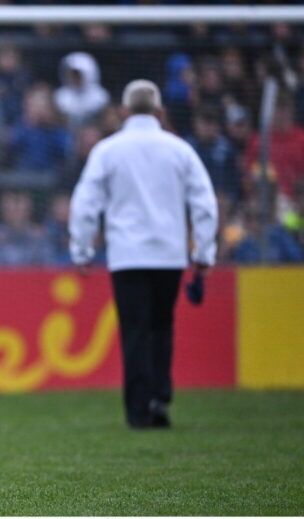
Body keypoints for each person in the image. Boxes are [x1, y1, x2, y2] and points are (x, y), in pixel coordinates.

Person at [68, 80, 218, 429]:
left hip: (127, 255)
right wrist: (204, 252)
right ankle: (159, 399)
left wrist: (81, 249)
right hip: (169, 254)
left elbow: (85, 203)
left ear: (123, 111)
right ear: (160, 112)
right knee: (161, 326)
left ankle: (138, 409)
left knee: (134, 330)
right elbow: (204, 203)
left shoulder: (108, 150)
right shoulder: (179, 150)